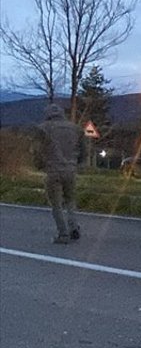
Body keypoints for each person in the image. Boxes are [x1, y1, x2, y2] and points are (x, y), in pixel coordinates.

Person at [35, 103, 82, 244]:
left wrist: (39, 165)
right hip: (71, 170)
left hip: (53, 170)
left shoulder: (43, 128)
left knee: (56, 204)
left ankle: (63, 234)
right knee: (70, 200)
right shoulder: (75, 128)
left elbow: (38, 150)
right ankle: (74, 226)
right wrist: (77, 163)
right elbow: (83, 150)